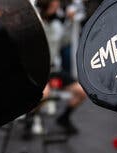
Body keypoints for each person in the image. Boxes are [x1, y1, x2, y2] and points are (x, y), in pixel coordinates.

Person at [35, 0, 87, 134]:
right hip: (38, 72)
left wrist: (70, 22)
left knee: (81, 91)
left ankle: (64, 118)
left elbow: (65, 41)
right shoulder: (36, 23)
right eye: (55, 2)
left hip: (54, 71)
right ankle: (32, 117)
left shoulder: (57, 25)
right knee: (44, 94)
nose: (58, 4)